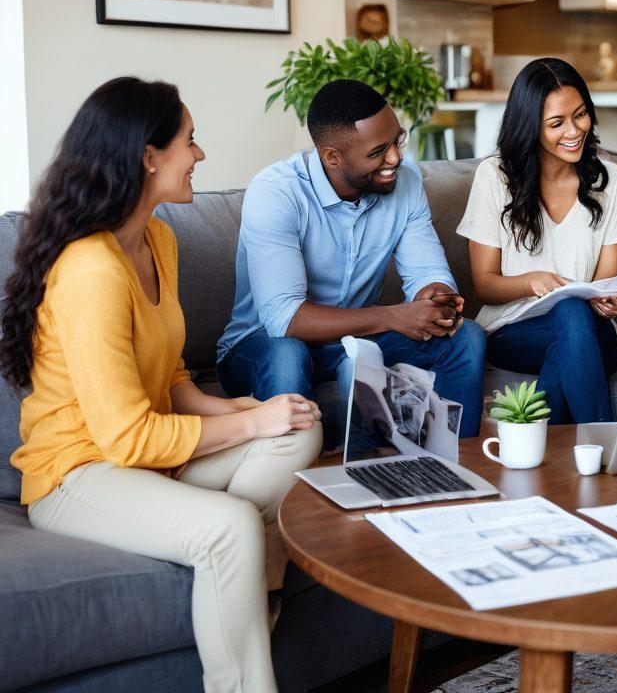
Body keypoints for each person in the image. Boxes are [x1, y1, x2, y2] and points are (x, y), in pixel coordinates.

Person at [1, 78, 322, 693]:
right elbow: (125, 439)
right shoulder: (92, 268)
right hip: (79, 474)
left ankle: (243, 582)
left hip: (152, 461)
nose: (200, 154)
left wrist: (237, 408)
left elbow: (171, 376)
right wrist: (248, 424)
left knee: (299, 430)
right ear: (149, 156)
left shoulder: (159, 240)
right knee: (229, 524)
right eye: (190, 140)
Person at [217, 79, 486, 440]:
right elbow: (285, 319)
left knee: (464, 336)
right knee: (288, 355)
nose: (395, 158)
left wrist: (434, 296)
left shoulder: (405, 184)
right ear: (332, 157)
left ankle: (452, 460)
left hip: (356, 341)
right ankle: (293, 469)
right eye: (378, 152)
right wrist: (393, 316)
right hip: (262, 345)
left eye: (397, 141)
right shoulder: (277, 192)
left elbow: (427, 271)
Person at [457, 58, 617, 424]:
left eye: (581, 115)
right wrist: (532, 281)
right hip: (513, 331)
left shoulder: (612, 182)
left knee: (572, 317)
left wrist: (608, 300)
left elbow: (604, 284)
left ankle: (538, 443)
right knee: (569, 317)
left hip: (591, 331)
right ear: (530, 126)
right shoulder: (494, 177)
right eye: (557, 123)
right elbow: (484, 286)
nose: (574, 131)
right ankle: (601, 442)